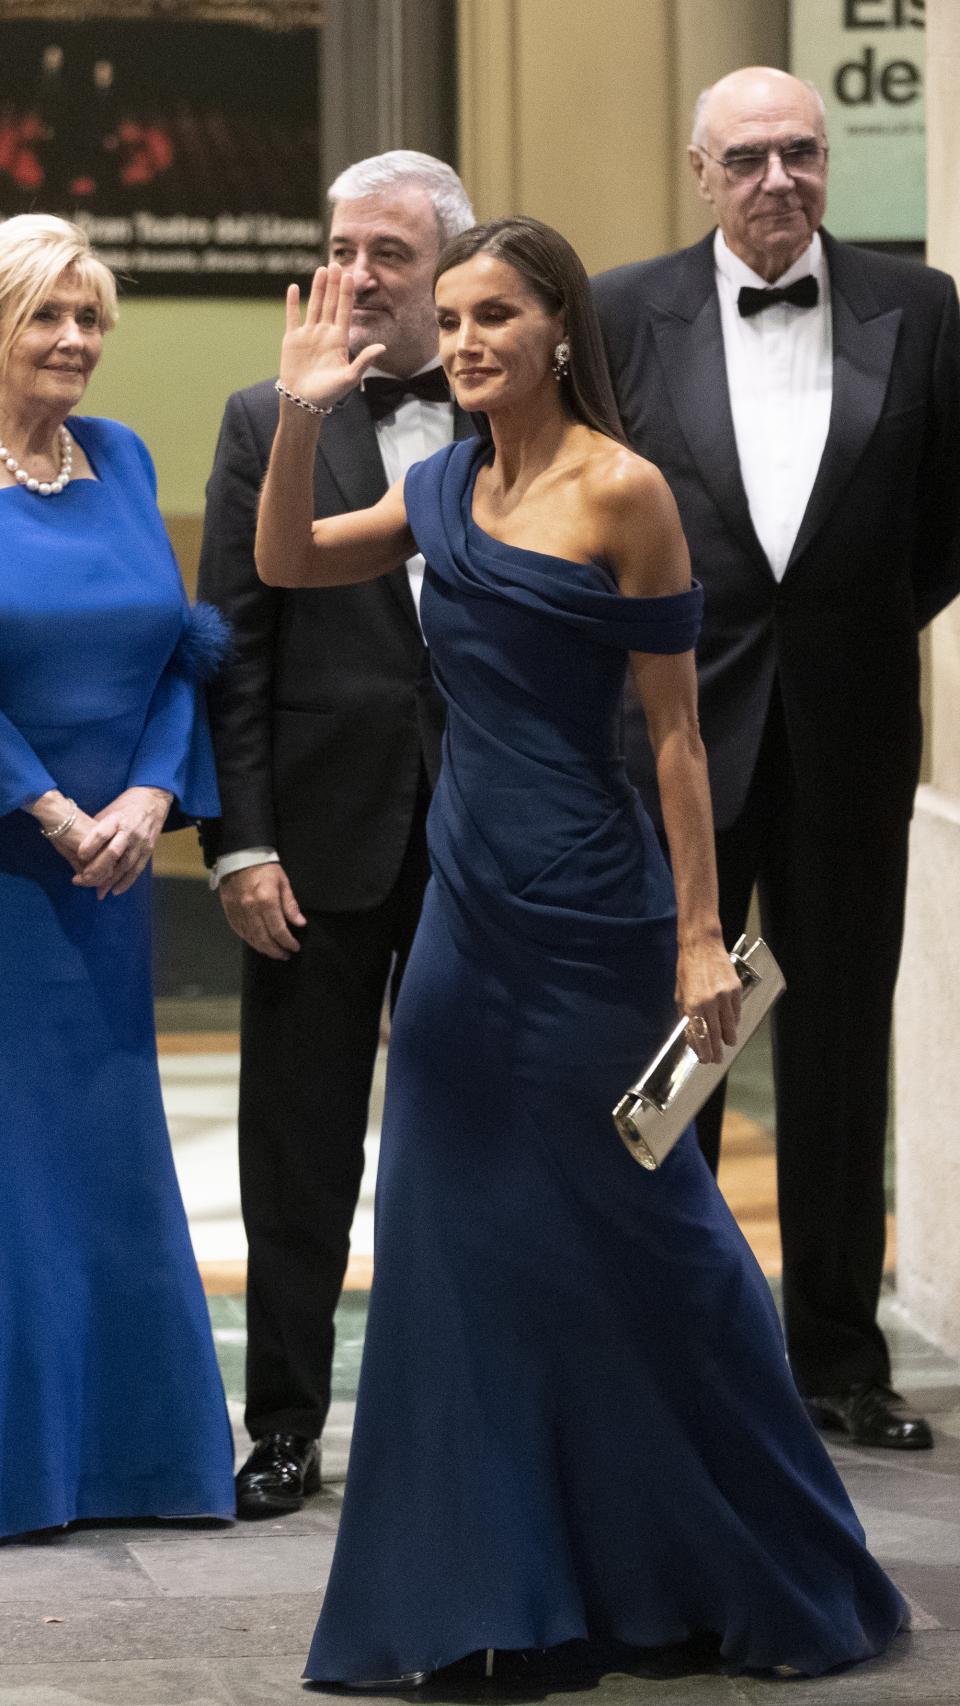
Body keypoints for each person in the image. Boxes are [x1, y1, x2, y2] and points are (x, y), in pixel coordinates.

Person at [254, 220, 906, 1684]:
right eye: (452, 320)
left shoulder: (626, 491)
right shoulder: (440, 486)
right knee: (454, 1244)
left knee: (658, 1241)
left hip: (601, 920)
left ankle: (768, 1559)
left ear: (559, 330)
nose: (467, 342)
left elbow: (678, 737)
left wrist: (700, 938)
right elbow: (286, 557)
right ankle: (486, 1592)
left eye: (495, 316)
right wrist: (302, 410)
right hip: (464, 917)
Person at [593, 66, 960, 1453]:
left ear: (827, 162)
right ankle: (668, 1346)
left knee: (842, 1053)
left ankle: (839, 1361)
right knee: (676, 1046)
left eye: (800, 152)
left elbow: (943, 527)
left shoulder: (920, 308)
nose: (777, 181)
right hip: (677, 739)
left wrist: (848, 632)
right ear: (700, 172)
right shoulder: (623, 312)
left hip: (850, 739)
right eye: (746, 158)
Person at [197, 151, 476, 1517]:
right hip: (316, 835)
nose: (357, 276)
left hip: (490, 831)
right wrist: (240, 842)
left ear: (449, 271)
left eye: (389, 254)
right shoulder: (265, 417)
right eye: (342, 249)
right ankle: (286, 1425)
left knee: (473, 1135)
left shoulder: (511, 407)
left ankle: (464, 1417)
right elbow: (233, 650)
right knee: (297, 1149)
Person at [0, 213, 234, 1540]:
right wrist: (46, 805)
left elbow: (181, 648)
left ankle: (138, 1461)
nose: (77, 339)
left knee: (106, 1149)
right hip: (11, 865)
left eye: (91, 317)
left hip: (114, 873)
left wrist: (149, 797)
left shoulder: (126, 456)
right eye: (48, 314)